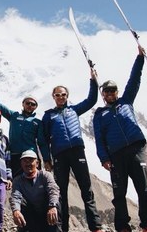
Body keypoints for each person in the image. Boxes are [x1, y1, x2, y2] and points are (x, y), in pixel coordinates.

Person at [93, 46, 147, 232]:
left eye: (113, 91)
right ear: (103, 94)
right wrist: (104, 158)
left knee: (143, 189)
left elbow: (134, 80)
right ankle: (122, 227)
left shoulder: (126, 101)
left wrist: (140, 58)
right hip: (116, 156)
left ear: (117, 92)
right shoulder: (99, 114)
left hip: (136, 150)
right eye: (107, 91)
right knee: (119, 193)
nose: (110, 94)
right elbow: (99, 138)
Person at [42, 68, 104, 232]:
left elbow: (91, 100)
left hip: (77, 151)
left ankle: (95, 226)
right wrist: (47, 159)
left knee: (86, 188)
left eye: (63, 94)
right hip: (59, 155)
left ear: (67, 96)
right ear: (53, 97)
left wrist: (93, 80)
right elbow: (43, 139)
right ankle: (62, 228)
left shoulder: (74, 110)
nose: (60, 97)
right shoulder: (48, 116)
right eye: (57, 95)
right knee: (61, 192)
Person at [0, 75, 51, 176]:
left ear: (36, 107)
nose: (30, 105)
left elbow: (42, 142)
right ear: (23, 104)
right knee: (16, 183)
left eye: (33, 104)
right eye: (28, 103)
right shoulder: (13, 116)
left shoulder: (37, 122)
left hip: (32, 156)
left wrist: (46, 159)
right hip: (15, 156)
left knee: (34, 185)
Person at [10, 149, 62, 232]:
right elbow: (15, 196)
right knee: (21, 203)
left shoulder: (45, 175)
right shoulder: (17, 180)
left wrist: (52, 206)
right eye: (25, 161)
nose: (28, 163)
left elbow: (53, 190)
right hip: (32, 216)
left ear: (37, 163)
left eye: (31, 160)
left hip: (47, 213)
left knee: (56, 201)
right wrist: (16, 210)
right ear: (21, 164)